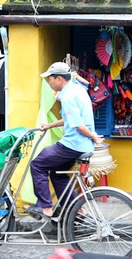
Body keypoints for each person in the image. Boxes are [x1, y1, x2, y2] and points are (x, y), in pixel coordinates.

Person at [23, 62, 103, 219]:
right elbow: (70, 118)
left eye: (50, 79)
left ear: (59, 79)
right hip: (81, 145)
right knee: (57, 174)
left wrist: (93, 135)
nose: (49, 83)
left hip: (73, 144)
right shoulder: (78, 90)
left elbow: (79, 126)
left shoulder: (68, 96)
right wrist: (50, 125)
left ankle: (45, 207)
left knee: (37, 164)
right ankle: (77, 209)